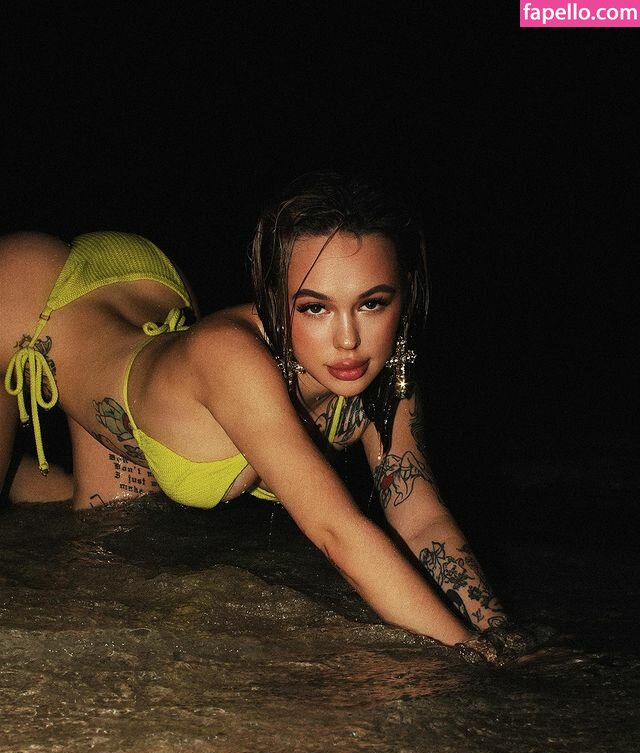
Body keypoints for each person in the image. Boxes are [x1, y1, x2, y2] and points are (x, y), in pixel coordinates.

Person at [0, 172, 547, 664]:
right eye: (314, 307)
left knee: (108, 533)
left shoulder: (392, 378)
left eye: (372, 303)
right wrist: (471, 655)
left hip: (145, 291)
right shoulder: (230, 357)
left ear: (405, 297)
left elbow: (421, 518)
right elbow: (336, 531)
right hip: (26, 297)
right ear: (273, 300)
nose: (349, 339)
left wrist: (505, 636)